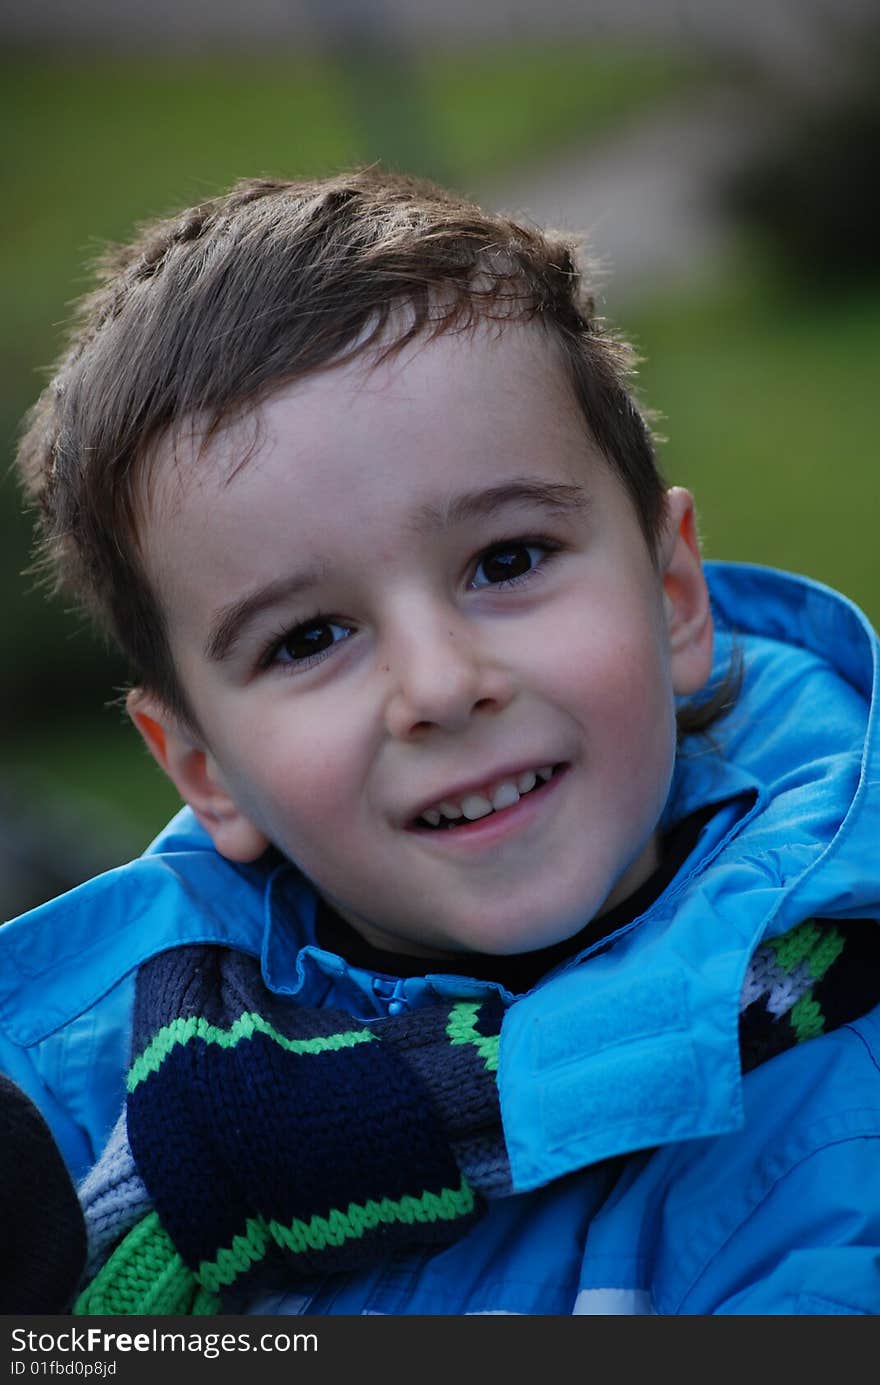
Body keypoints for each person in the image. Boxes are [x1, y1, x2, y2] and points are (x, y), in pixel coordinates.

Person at [2, 168, 879, 1316]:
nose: (440, 685)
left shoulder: (837, 1114)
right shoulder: (88, 1112)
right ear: (203, 770)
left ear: (671, 594)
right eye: (309, 635)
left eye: (505, 560)